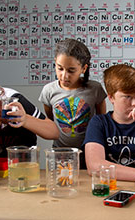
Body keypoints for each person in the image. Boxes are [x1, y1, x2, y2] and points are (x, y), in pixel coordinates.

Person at [39, 39, 107, 168]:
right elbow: (51, 121)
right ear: (55, 63)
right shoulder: (49, 91)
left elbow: (100, 121)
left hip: (88, 152)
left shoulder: (95, 89)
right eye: (60, 68)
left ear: (83, 68)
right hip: (59, 153)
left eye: (71, 70)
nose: (64, 76)